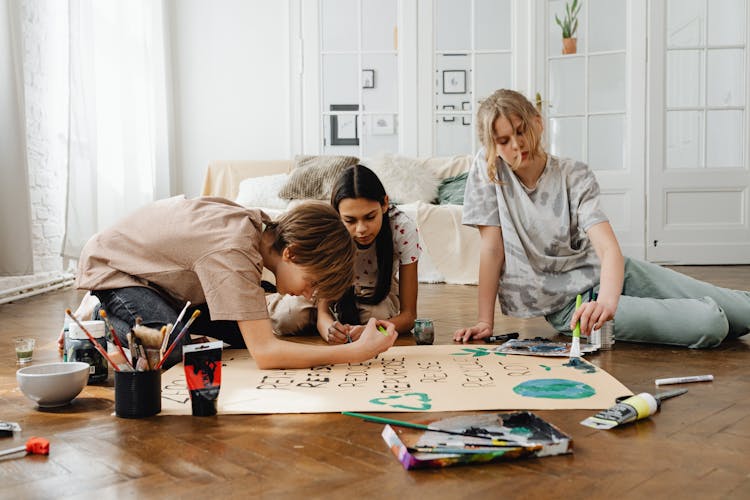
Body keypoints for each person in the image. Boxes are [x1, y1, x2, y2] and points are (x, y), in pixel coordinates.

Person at [454, 88, 750, 348]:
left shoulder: (574, 174)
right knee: (711, 323)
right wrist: (485, 321)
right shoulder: (489, 171)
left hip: (611, 275)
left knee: (741, 309)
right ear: (492, 147)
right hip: (573, 306)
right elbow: (492, 249)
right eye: (504, 140)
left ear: (538, 123)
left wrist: (609, 301)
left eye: (521, 131)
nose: (517, 145)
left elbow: (608, 249)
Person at [62, 196, 397, 369]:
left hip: (166, 282)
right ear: (292, 254)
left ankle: (130, 317)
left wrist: (344, 334)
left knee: (242, 333)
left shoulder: (258, 229)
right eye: (312, 283)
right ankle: (91, 327)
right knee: (172, 347)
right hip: (118, 270)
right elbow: (265, 354)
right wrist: (355, 353)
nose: (309, 295)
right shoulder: (234, 251)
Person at [267, 164, 420, 343]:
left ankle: (340, 319)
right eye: (350, 220)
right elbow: (324, 302)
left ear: (385, 204)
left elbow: (409, 316)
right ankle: (273, 301)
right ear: (337, 214)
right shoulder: (331, 228)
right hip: (326, 289)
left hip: (377, 289)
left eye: (370, 217)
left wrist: (374, 329)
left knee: (376, 315)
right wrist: (325, 324)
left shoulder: (402, 228)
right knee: (288, 318)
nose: (361, 229)